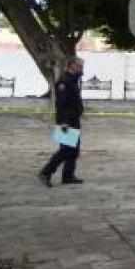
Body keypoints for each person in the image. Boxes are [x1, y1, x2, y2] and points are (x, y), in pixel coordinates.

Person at [39, 57, 85, 186]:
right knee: (65, 149)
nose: (82, 69)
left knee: (74, 149)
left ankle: (68, 176)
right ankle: (46, 172)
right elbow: (61, 103)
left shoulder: (73, 79)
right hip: (67, 120)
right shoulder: (64, 81)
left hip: (73, 118)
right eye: (80, 66)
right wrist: (64, 121)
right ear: (72, 66)